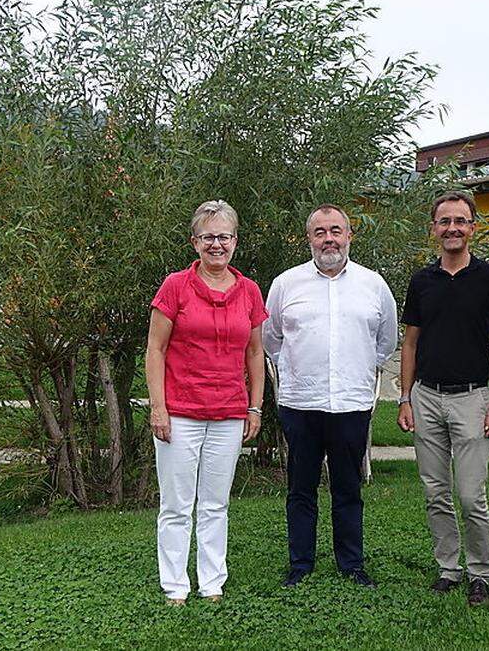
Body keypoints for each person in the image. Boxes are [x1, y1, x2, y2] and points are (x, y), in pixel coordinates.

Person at [263, 203, 398, 589]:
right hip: (301, 405)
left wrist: (354, 372)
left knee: (347, 488)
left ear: (349, 235)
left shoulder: (373, 285)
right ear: (309, 238)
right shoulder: (286, 284)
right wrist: (295, 371)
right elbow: (271, 338)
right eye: (320, 232)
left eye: (336, 230)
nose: (329, 239)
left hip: (351, 406)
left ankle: (351, 564)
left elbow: (385, 341)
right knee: (300, 489)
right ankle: (300, 564)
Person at [145, 200, 268, 606]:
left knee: (216, 504)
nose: (217, 244)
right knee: (177, 505)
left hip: (230, 413)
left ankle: (212, 582)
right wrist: (158, 407)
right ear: (194, 242)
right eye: (209, 237)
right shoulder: (175, 286)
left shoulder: (249, 290)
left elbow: (254, 353)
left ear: (235, 241)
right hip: (180, 412)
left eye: (224, 237)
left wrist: (255, 406)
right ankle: (175, 586)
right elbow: (156, 349)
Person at [397, 190, 489, 606]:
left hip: (471, 399)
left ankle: (480, 572)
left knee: (470, 494)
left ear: (472, 228)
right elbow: (409, 343)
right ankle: (449, 567)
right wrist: (405, 398)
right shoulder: (421, 281)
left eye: (460, 221)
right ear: (434, 230)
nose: (452, 228)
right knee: (435, 492)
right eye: (445, 221)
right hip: (426, 396)